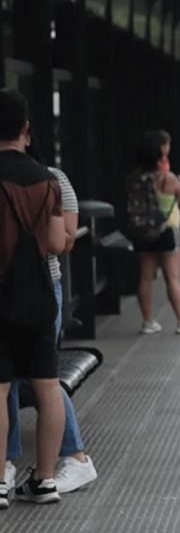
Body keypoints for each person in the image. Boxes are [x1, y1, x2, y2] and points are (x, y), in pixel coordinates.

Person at [6, 160, 97, 496]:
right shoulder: (50, 178)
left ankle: (74, 455)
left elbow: (65, 239)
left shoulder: (52, 177)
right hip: (40, 286)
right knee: (21, 376)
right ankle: (10, 464)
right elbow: (63, 239)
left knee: (30, 374)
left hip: (40, 286)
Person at [0, 88, 67, 506]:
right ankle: (44, 480)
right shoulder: (48, 179)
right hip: (39, 295)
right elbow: (57, 243)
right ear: (26, 129)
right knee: (47, 385)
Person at [131, 130, 180, 335]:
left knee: (145, 277)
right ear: (162, 149)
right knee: (172, 277)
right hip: (167, 230)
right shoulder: (168, 178)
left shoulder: (136, 178)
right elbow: (178, 199)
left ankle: (147, 322)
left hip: (143, 230)